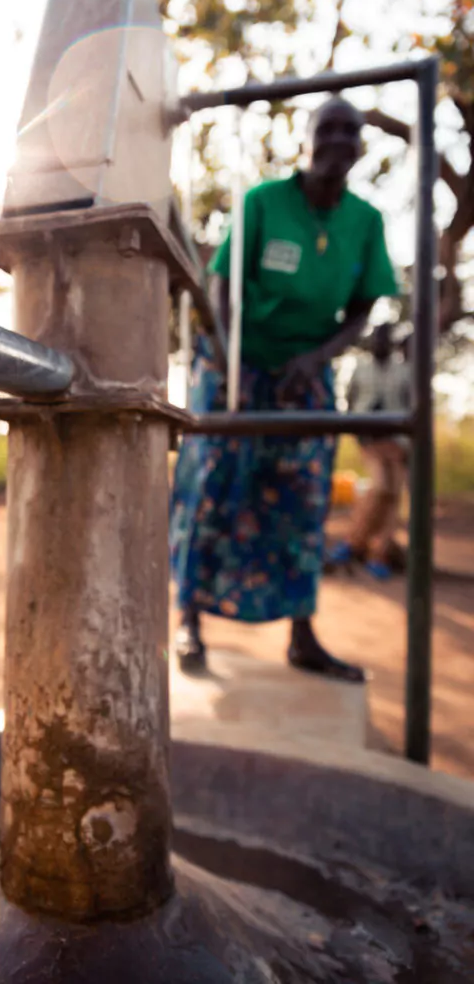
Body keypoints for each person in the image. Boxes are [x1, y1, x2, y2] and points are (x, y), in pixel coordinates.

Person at [170, 97, 398, 682]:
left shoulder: (365, 220)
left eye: (353, 130)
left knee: (304, 494)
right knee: (214, 482)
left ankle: (301, 634)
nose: (341, 140)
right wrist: (231, 358)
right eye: (330, 129)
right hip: (234, 359)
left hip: (307, 370)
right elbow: (222, 286)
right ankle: (188, 619)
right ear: (308, 139)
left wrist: (317, 357)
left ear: (361, 147)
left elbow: (364, 309)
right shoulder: (262, 202)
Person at [329, 325, 411, 578]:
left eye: (385, 340)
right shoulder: (360, 368)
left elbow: (411, 405)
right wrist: (358, 430)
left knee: (394, 496)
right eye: (377, 340)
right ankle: (353, 541)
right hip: (370, 438)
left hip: (397, 441)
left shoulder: (405, 371)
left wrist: (405, 442)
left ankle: (379, 554)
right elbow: (351, 400)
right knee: (380, 487)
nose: (380, 344)